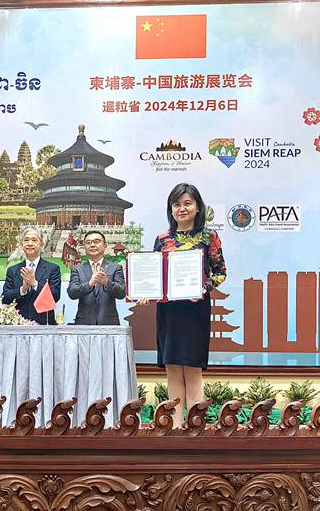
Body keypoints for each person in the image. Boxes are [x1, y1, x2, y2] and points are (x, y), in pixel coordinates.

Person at [139, 183, 227, 427]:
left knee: (192, 369)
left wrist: (202, 287)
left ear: (198, 207)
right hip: (169, 312)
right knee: (173, 369)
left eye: (187, 203)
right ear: (171, 209)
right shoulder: (162, 239)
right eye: (176, 204)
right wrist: (147, 291)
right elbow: (155, 274)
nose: (182, 209)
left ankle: (195, 428)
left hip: (195, 311)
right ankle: (176, 428)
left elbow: (220, 272)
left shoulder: (208, 237)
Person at [1, 226, 62, 325]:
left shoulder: (53, 269)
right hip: (18, 324)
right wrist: (22, 290)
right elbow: (5, 298)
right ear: (21, 245)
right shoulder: (12, 270)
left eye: (34, 240)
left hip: (44, 325)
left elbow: (55, 296)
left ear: (42, 245)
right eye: (26, 240)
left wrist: (35, 284)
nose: (30, 243)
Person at [67, 230, 126, 325]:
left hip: (109, 324)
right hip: (84, 323)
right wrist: (89, 284)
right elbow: (72, 293)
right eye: (88, 242)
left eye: (96, 242)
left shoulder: (115, 267)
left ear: (105, 246)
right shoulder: (77, 269)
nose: (92, 245)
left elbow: (121, 293)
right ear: (84, 247)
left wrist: (107, 283)